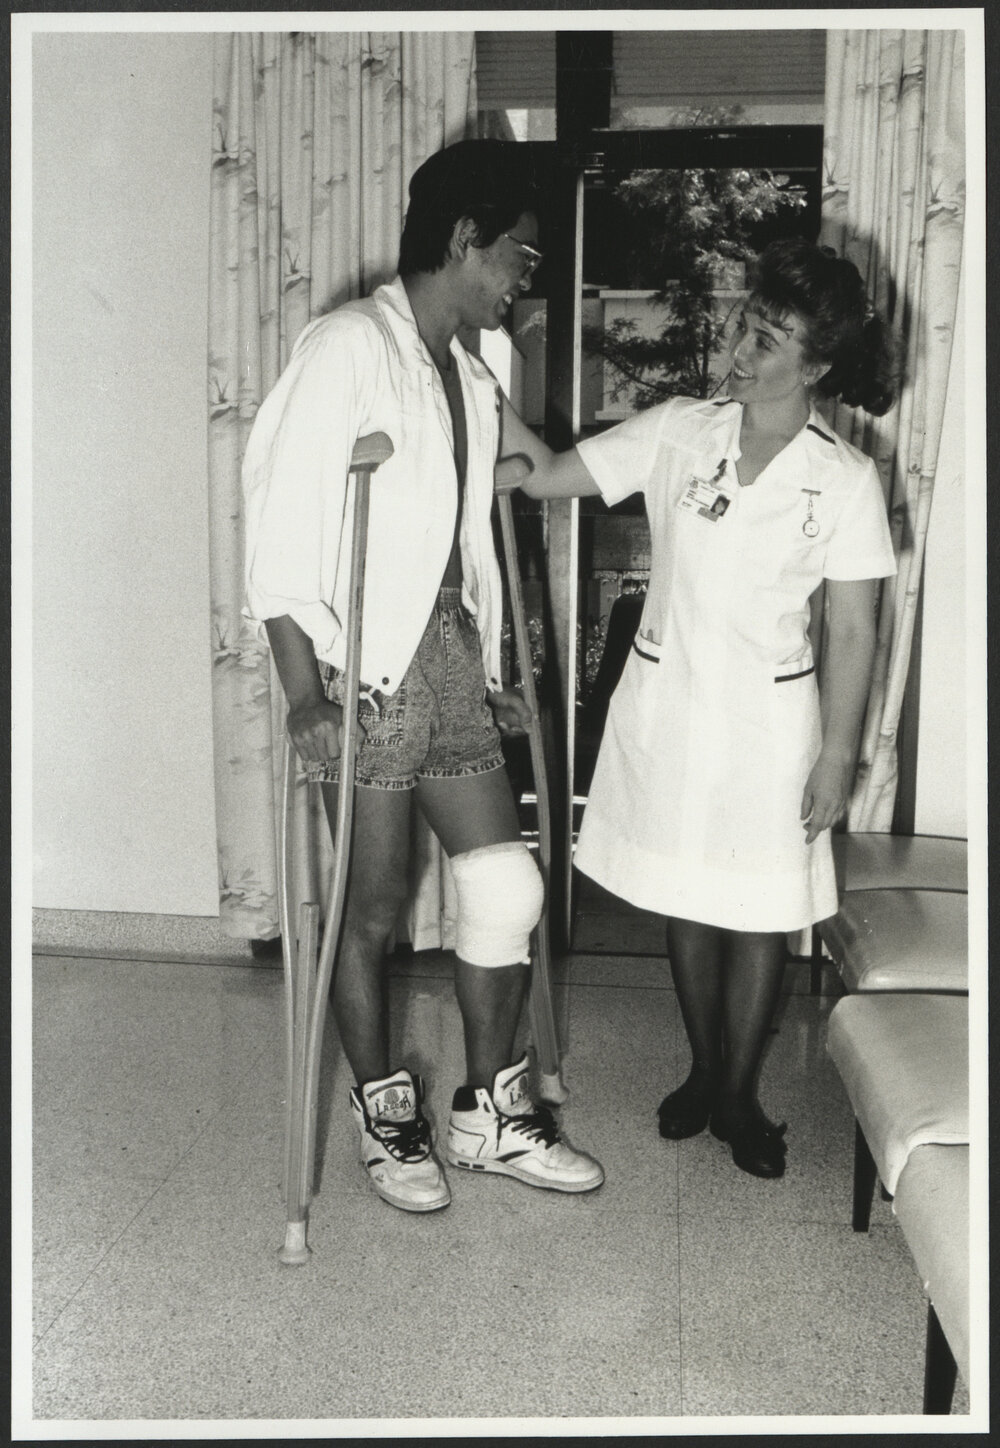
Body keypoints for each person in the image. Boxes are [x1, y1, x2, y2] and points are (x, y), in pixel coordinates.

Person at [242, 140, 604, 1213]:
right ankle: (383, 1111)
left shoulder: (471, 371)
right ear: (464, 241)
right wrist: (304, 692)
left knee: (506, 884)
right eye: (518, 257)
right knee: (376, 903)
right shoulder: (346, 346)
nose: (523, 276)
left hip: (443, 651)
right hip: (357, 663)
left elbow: (530, 479)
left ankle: (489, 1113)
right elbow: (277, 528)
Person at [496, 238, 899, 1178]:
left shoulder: (845, 477)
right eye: (747, 323)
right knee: (686, 893)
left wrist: (838, 755)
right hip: (668, 706)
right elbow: (552, 474)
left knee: (758, 911)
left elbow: (852, 631)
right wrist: (478, 397)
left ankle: (740, 1095)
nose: (743, 346)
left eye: (771, 337)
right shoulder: (680, 428)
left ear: (819, 365)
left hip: (773, 724)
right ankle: (704, 1068)